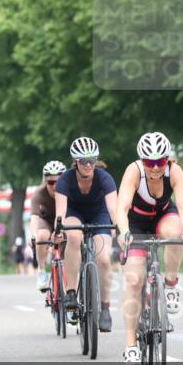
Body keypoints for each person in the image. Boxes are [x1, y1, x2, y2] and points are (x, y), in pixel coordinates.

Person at [116, 132, 183, 365]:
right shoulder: (134, 171)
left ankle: (170, 284)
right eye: (150, 162)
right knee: (134, 280)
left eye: (160, 162)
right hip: (136, 223)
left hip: (164, 217)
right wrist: (124, 233)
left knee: (176, 233)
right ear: (142, 161)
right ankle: (131, 345)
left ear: (167, 159)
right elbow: (121, 208)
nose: (155, 168)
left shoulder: (175, 171)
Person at [53, 136, 118, 332]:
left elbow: (114, 210)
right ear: (76, 162)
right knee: (73, 236)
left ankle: (105, 308)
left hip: (100, 214)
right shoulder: (65, 180)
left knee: (104, 259)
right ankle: (71, 292)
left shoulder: (105, 178)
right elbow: (61, 212)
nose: (89, 165)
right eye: (84, 161)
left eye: (92, 160)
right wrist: (58, 231)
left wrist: (120, 230)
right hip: (74, 213)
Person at [31, 160, 66, 291]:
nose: (55, 185)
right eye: (51, 182)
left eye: (59, 181)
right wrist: (34, 236)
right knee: (41, 236)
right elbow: (34, 218)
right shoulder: (39, 193)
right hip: (46, 221)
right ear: (45, 181)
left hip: (63, 222)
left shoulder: (70, 192)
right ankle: (41, 271)